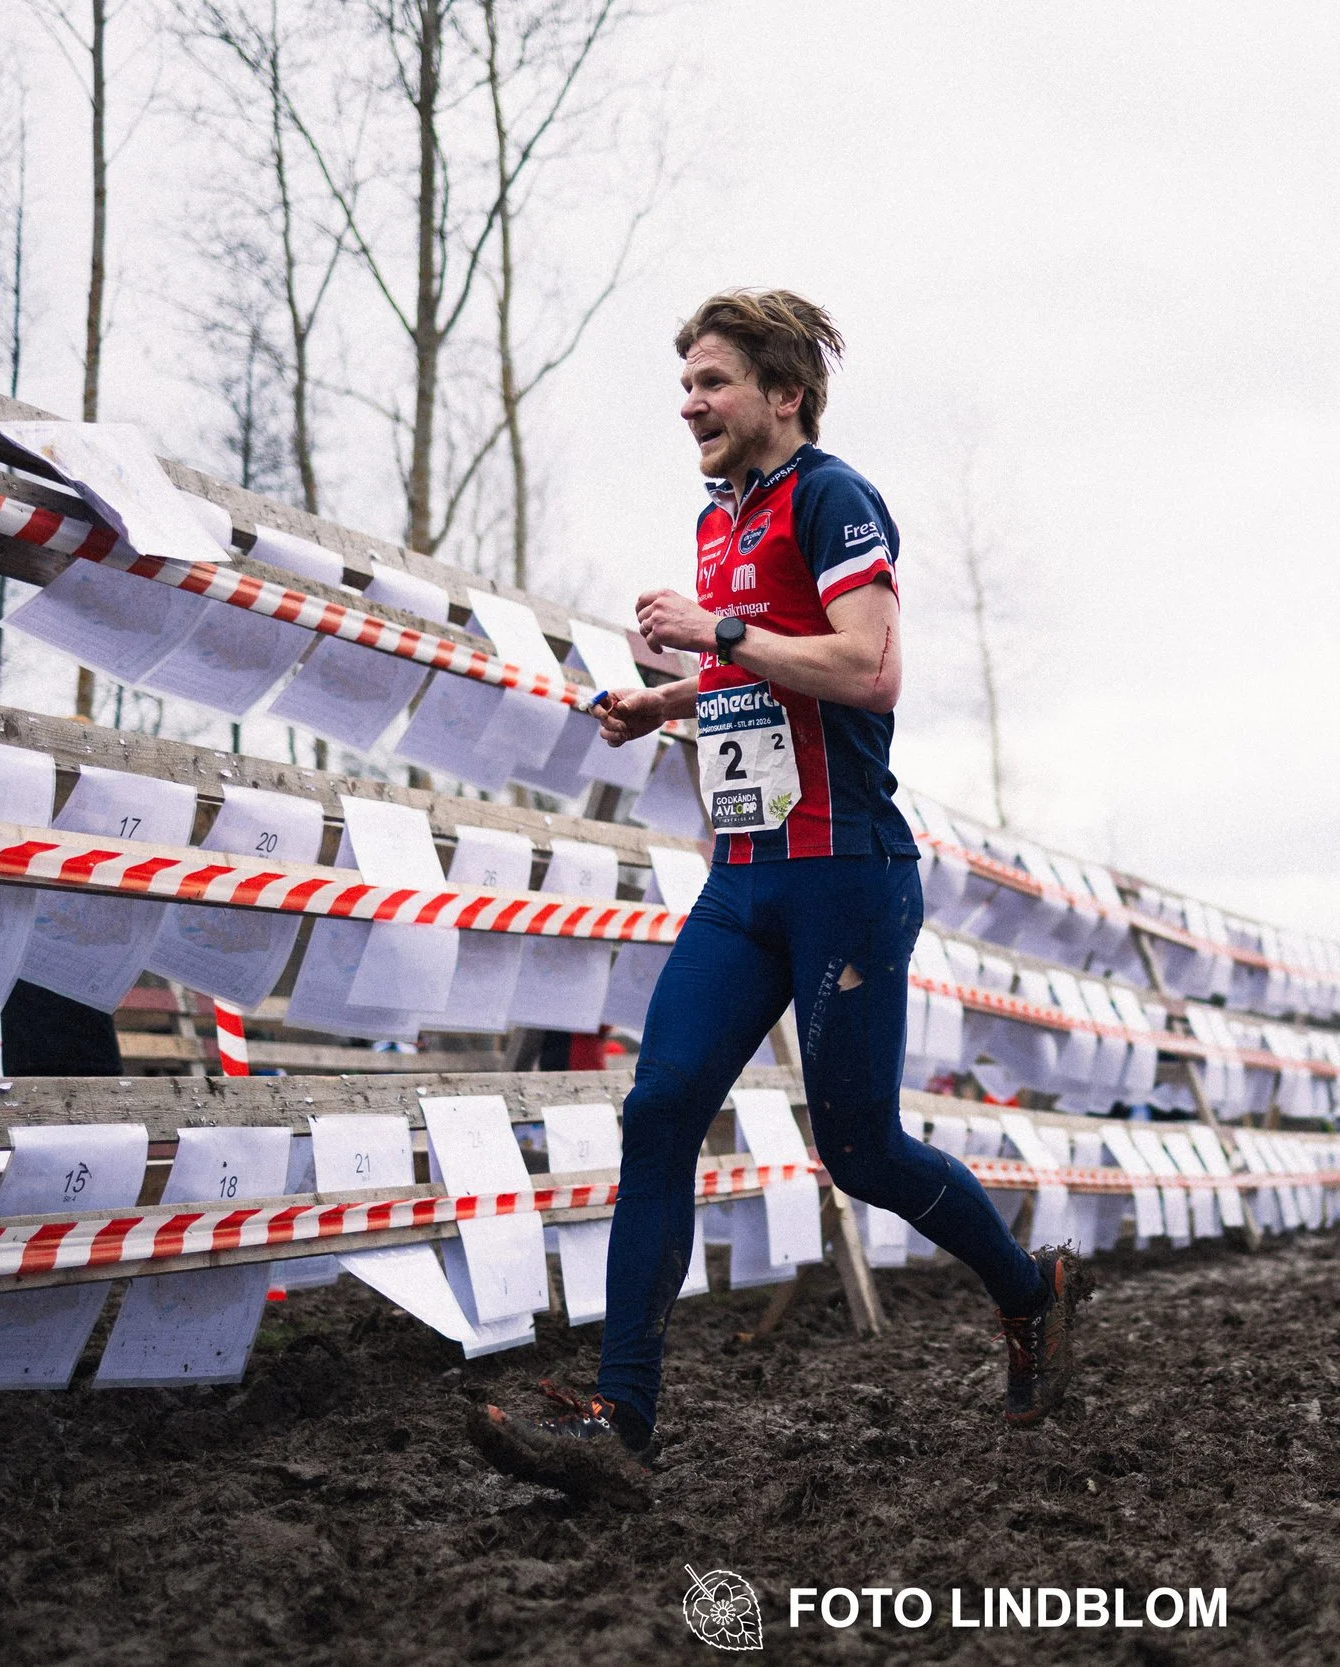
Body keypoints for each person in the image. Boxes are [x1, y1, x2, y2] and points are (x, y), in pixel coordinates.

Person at [469, 291, 1086, 1502]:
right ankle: (621, 1418)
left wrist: (718, 632)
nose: (687, 402)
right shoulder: (719, 518)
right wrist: (673, 698)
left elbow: (867, 666)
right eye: (685, 381)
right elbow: (762, 680)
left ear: (781, 393)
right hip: (743, 880)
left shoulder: (831, 498)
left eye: (710, 381)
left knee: (858, 1149)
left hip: (847, 876)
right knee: (659, 1109)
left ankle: (1029, 1292)